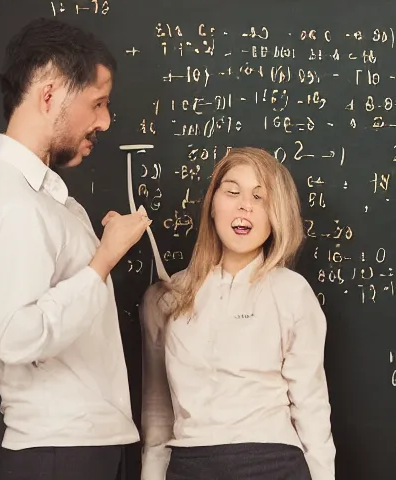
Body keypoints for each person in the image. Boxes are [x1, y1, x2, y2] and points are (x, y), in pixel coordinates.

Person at [0, 17, 151, 480]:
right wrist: (103, 261)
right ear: (51, 94)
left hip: (82, 446)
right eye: (98, 103)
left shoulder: (44, 196)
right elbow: (15, 335)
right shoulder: (13, 202)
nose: (105, 121)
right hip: (59, 452)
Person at [139, 147, 335, 480]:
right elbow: (157, 413)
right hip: (189, 465)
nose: (245, 205)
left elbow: (311, 406)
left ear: (277, 215)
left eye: (260, 197)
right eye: (232, 192)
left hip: (273, 464)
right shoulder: (169, 295)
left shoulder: (292, 292)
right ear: (213, 205)